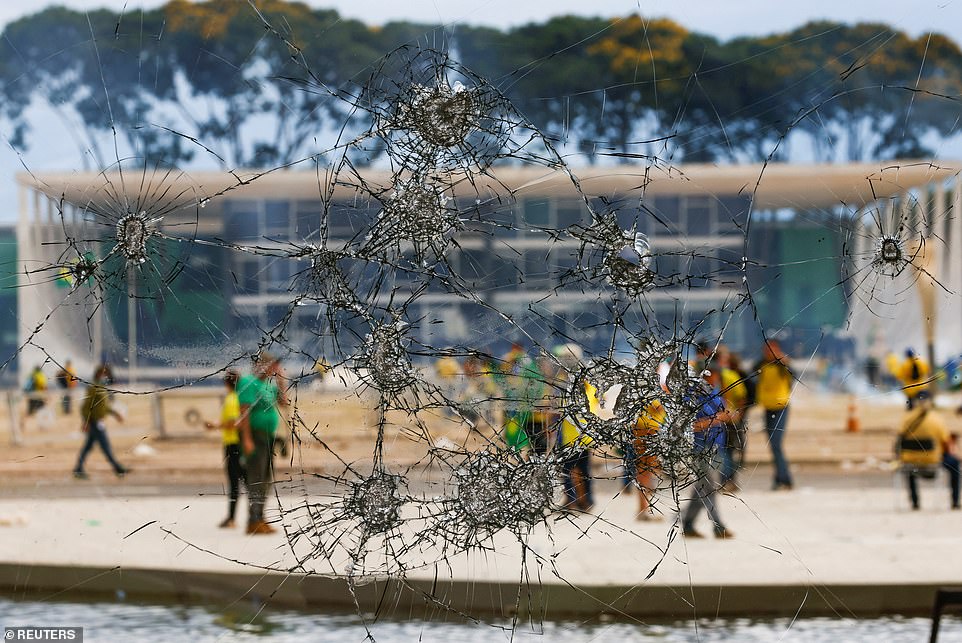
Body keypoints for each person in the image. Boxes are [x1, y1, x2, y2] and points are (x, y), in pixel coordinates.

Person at [237, 352, 288, 535]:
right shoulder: (248, 383)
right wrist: (247, 439)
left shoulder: (268, 385)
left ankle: (260, 516)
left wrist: (282, 382)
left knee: (266, 479)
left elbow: (283, 403)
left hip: (268, 437)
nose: (273, 369)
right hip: (255, 437)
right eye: (271, 365)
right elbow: (244, 413)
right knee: (256, 479)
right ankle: (253, 519)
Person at [682, 369, 734, 539]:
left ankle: (688, 523)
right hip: (700, 449)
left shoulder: (715, 393)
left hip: (717, 446)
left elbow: (724, 413)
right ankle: (718, 526)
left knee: (702, 488)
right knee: (709, 487)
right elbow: (689, 425)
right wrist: (717, 419)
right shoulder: (691, 397)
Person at [896, 397, 960, 510]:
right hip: (933, 461)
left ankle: (915, 502)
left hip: (909, 462)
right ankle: (955, 501)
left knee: (911, 464)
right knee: (955, 464)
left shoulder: (906, 418)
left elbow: (899, 437)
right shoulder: (936, 419)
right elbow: (946, 442)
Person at [204, 371, 245, 528]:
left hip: (232, 444)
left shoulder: (231, 399)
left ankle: (233, 518)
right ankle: (251, 515)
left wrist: (215, 426)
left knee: (235, 481)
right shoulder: (239, 398)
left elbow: (235, 422)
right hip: (236, 443)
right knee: (242, 480)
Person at [73, 364, 128, 479]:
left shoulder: (101, 387)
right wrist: (86, 422)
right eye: (105, 374)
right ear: (100, 374)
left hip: (98, 422)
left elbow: (103, 406)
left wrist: (115, 414)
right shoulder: (93, 387)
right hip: (94, 422)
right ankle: (118, 468)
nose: (107, 377)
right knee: (105, 446)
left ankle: (78, 469)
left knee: (88, 447)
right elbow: (86, 406)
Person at [755, 339, 794, 490]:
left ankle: (784, 478)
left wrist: (784, 361)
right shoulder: (761, 364)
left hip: (781, 407)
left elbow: (793, 375)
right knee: (773, 444)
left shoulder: (782, 365)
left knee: (776, 443)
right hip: (767, 407)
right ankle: (780, 478)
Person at [719, 352, 751, 489]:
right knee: (730, 451)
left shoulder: (722, 375)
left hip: (722, 418)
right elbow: (742, 396)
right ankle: (729, 480)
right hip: (731, 417)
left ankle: (726, 480)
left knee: (725, 451)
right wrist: (739, 413)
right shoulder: (731, 375)